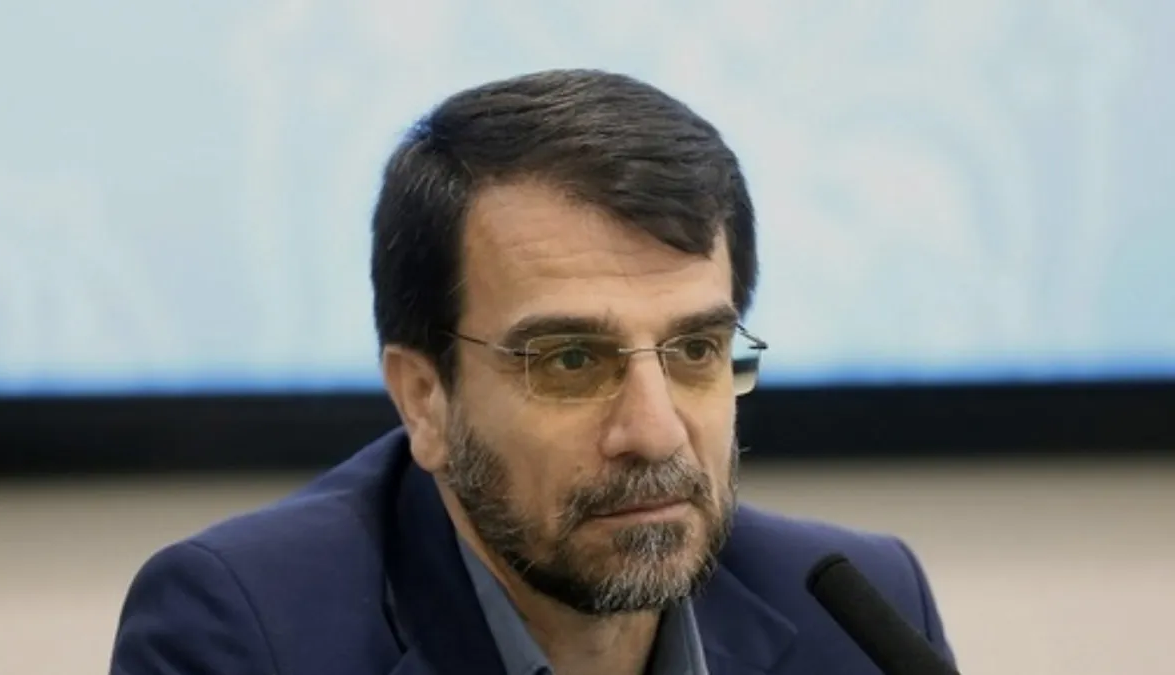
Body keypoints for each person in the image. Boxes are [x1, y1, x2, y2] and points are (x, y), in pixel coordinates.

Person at [109, 69, 955, 675]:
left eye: (696, 350)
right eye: (572, 360)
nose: (655, 431)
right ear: (424, 399)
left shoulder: (862, 618)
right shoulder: (246, 633)